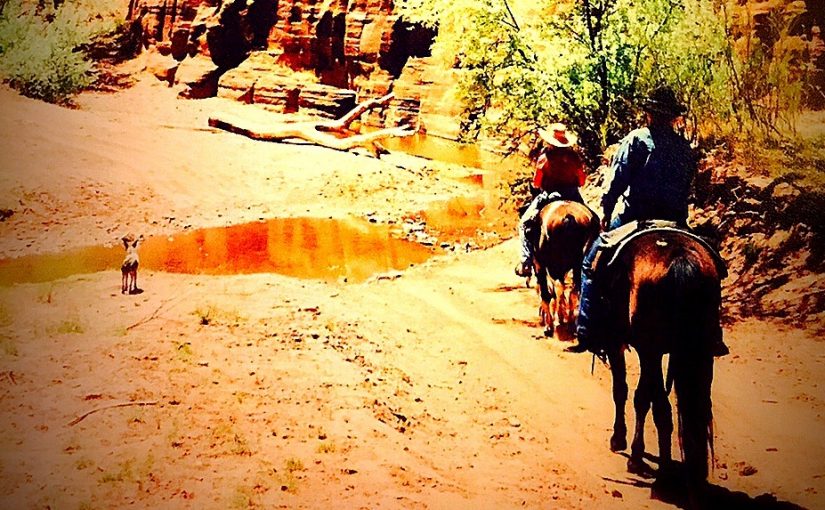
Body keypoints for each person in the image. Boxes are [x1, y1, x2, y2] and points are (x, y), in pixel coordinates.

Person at [567, 85, 728, 356]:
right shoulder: (684, 148)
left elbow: (617, 181)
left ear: (649, 114)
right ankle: (712, 331)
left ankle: (587, 330)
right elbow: (690, 184)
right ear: (672, 117)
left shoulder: (636, 140)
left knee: (591, 262)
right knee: (714, 266)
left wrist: (606, 210)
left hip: (634, 217)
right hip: (675, 220)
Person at [515, 123, 587, 278]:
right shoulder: (574, 157)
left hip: (550, 195)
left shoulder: (544, 158)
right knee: (593, 222)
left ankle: (526, 261)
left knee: (524, 224)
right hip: (573, 195)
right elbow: (582, 181)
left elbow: (536, 183)